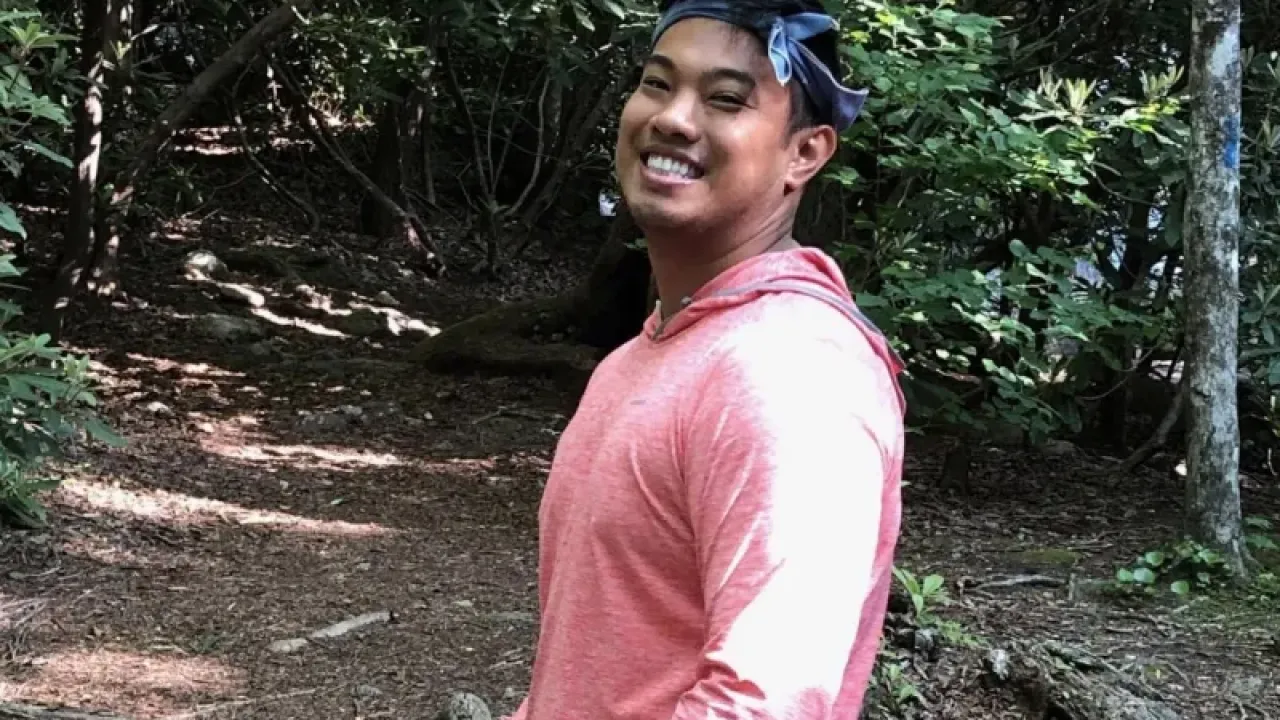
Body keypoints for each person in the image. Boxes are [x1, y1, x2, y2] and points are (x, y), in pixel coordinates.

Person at [506, 0, 906, 717]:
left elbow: (764, 702)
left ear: (804, 153)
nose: (674, 118)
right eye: (658, 83)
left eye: (725, 99)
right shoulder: (646, 355)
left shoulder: (792, 371)